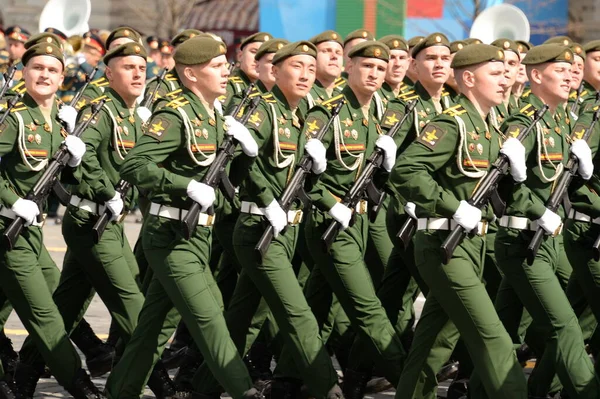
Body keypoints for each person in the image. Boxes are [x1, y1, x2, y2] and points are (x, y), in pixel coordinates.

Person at [104, 36, 262, 399]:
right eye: (217, 65)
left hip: (197, 235)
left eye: (226, 64)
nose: (227, 71)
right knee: (210, 319)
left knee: (155, 327)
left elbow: (223, 187)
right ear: (191, 73)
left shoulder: (213, 115)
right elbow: (134, 165)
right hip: (170, 233)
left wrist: (246, 156)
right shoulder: (175, 115)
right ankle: (244, 391)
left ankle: (120, 390)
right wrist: (185, 185)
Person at [391, 43, 527, 399]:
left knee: (434, 342)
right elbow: (405, 171)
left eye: (505, 73)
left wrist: (520, 175)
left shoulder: (488, 128)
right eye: (494, 74)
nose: (505, 80)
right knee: (492, 336)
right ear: (468, 78)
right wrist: (451, 205)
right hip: (444, 245)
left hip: (473, 245)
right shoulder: (451, 123)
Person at [494, 43, 600, 399]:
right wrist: (540, 211)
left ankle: (517, 388)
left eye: (573, 69)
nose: (571, 75)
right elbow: (503, 187)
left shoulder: (564, 118)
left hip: (554, 239)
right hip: (523, 239)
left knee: (524, 328)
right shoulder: (524, 121)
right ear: (536, 75)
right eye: (560, 70)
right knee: (565, 327)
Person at [0, 42, 103, 398]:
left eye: (52, 70)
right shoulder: (13, 115)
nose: (44, 75)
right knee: (45, 315)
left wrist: (74, 162)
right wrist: (12, 201)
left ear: (62, 77)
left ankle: (14, 374)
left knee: (45, 295)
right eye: (37, 67)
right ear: (24, 72)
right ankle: (79, 383)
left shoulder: (60, 118)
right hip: (7, 227)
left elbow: (68, 180)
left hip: (31, 231)